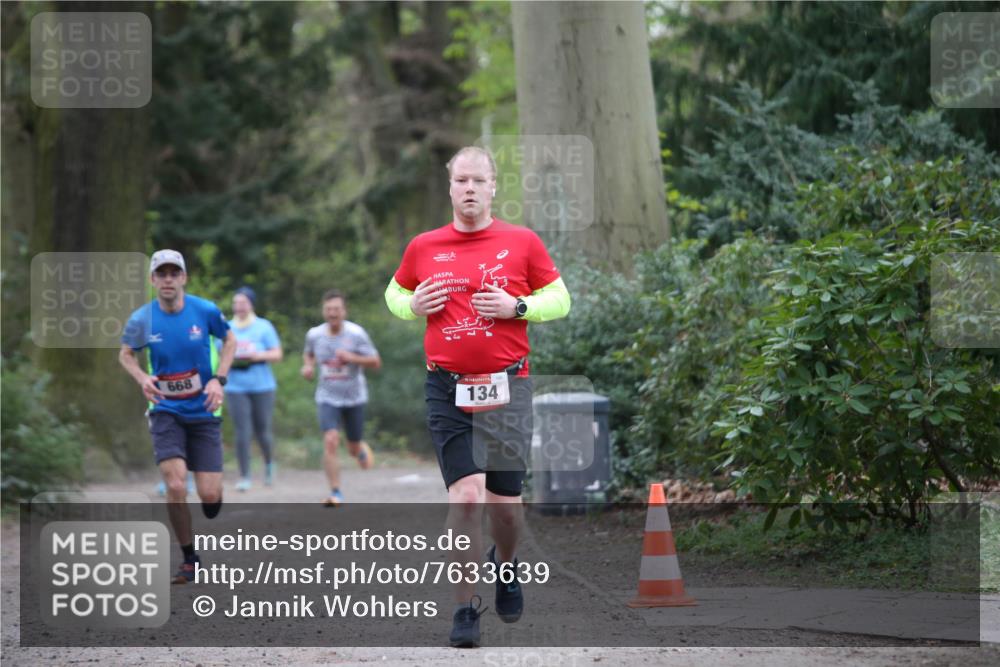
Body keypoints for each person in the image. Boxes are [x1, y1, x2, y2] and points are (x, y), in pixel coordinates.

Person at [384, 146, 571, 648]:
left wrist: (519, 305)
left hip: (508, 389)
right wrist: (411, 304)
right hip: (446, 388)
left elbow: (561, 299)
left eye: (478, 180)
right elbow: (394, 294)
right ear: (450, 188)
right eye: (461, 180)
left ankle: (506, 566)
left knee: (505, 508)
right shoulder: (423, 245)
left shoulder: (522, 241)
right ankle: (465, 609)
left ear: (493, 188)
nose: (469, 188)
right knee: (466, 497)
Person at [119, 249, 237, 584]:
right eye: (162, 274)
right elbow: (126, 354)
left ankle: (214, 495)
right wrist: (143, 378)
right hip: (165, 410)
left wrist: (219, 379)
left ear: (183, 277)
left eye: (174, 273)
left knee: (209, 495)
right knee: (174, 483)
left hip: (203, 408)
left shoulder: (205, 310)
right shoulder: (142, 319)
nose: (168, 279)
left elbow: (230, 341)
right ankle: (189, 558)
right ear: (153, 280)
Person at [301, 290, 382, 506]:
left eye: (336, 309)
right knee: (330, 440)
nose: (332, 313)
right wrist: (308, 367)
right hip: (327, 396)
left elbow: (375, 362)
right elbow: (309, 353)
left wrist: (352, 357)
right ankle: (335, 492)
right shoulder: (315, 334)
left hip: (354, 397)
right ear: (323, 311)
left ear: (344, 311)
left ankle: (359, 449)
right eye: (328, 309)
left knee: (352, 447)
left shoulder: (356, 334)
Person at [225, 286, 282, 491]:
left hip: (262, 386)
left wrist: (256, 356)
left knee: (262, 431)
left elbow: (277, 354)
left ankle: (268, 464)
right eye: (236, 303)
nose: (239, 307)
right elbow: (217, 354)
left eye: (243, 303)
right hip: (235, 387)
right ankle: (244, 475)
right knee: (242, 432)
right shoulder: (226, 328)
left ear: (251, 304)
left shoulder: (263, 327)